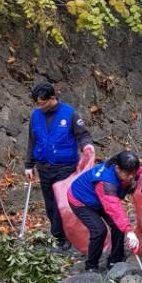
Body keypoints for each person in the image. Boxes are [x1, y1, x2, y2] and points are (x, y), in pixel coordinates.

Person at [24, 82, 94, 251]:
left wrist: (87, 147)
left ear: (52, 98)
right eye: (37, 104)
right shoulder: (36, 116)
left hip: (65, 167)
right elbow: (32, 141)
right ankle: (61, 234)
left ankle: (59, 237)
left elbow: (83, 135)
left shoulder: (69, 114)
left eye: (42, 103)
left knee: (59, 203)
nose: (39, 107)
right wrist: (29, 164)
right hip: (44, 166)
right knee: (49, 205)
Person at [67, 151, 141, 272]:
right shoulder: (106, 182)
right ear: (117, 168)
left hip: (100, 199)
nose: (131, 177)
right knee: (99, 231)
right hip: (81, 200)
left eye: (133, 174)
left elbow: (139, 171)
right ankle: (91, 266)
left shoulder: (122, 167)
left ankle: (115, 261)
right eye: (128, 174)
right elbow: (114, 208)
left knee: (118, 226)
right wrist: (129, 231)